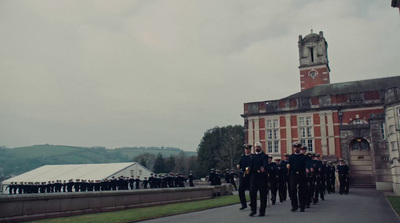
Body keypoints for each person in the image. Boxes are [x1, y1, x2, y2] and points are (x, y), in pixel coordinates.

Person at [287, 142, 309, 212]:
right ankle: (294, 206)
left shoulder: (303, 157)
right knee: (293, 190)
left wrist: (307, 168)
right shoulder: (291, 157)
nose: (296, 149)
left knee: (302, 190)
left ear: (300, 148)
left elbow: (306, 164)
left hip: (301, 174)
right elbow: (289, 166)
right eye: (295, 147)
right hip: (293, 175)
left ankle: (302, 206)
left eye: (298, 147)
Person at [249, 142, 268, 217]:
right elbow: (250, 165)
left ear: (260, 147)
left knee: (263, 194)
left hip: (262, 177)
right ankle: (253, 210)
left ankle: (262, 211)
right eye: (256, 147)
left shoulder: (264, 156)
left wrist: (263, 167)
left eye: (258, 147)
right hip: (254, 176)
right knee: (252, 193)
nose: (257, 148)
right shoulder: (252, 156)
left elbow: (265, 164)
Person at [237, 144, 252, 210]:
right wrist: (238, 166)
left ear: (250, 149)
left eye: (248, 149)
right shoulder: (242, 157)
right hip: (243, 175)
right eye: (246, 149)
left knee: (251, 190)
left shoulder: (252, 157)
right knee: (240, 189)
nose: (246, 150)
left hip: (250, 175)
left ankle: (252, 202)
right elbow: (239, 164)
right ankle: (243, 204)